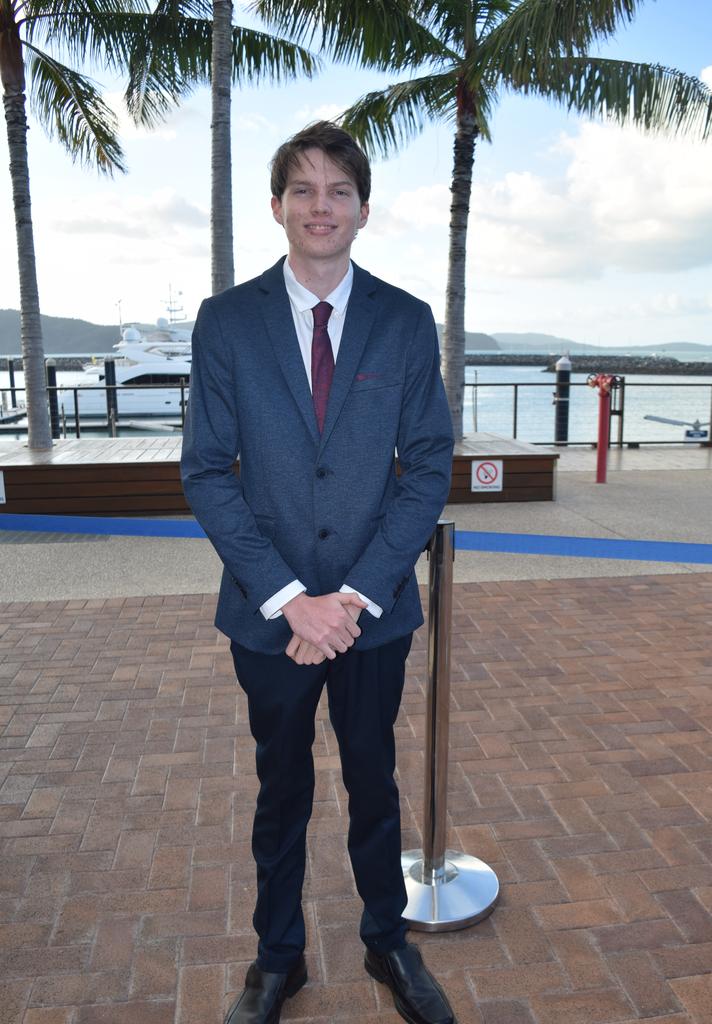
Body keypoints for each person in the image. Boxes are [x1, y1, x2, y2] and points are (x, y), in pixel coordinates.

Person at [181, 121, 455, 1024]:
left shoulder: (407, 322)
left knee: (373, 781)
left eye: (339, 190)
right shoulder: (227, 323)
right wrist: (295, 600)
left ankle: (388, 943)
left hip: (372, 613)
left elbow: (426, 467)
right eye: (303, 189)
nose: (321, 205)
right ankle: (277, 959)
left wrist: (354, 597)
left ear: (363, 210)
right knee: (281, 788)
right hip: (270, 613)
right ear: (277, 208)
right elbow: (205, 471)